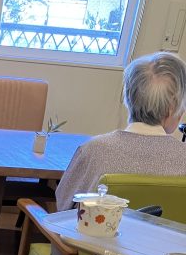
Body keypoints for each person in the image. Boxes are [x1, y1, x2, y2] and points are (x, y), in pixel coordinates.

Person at [56, 51, 186, 211]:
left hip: (99, 228)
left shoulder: (94, 150)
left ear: (129, 97)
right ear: (171, 110)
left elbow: (63, 205)